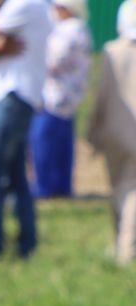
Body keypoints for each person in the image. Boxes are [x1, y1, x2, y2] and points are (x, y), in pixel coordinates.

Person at [0, 0, 50, 259]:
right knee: (16, 176)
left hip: (11, 97)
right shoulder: (37, 6)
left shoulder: (21, 5)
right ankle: (27, 243)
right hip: (20, 98)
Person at [87, 0, 136, 261]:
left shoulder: (111, 52)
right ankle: (126, 250)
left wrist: (92, 129)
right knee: (130, 190)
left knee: (120, 188)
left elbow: (101, 96)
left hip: (115, 132)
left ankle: (123, 244)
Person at [28, 0, 88, 197]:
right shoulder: (81, 29)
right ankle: (62, 186)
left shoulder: (67, 30)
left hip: (55, 96)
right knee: (63, 146)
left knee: (45, 143)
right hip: (69, 96)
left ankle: (45, 187)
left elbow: (52, 60)